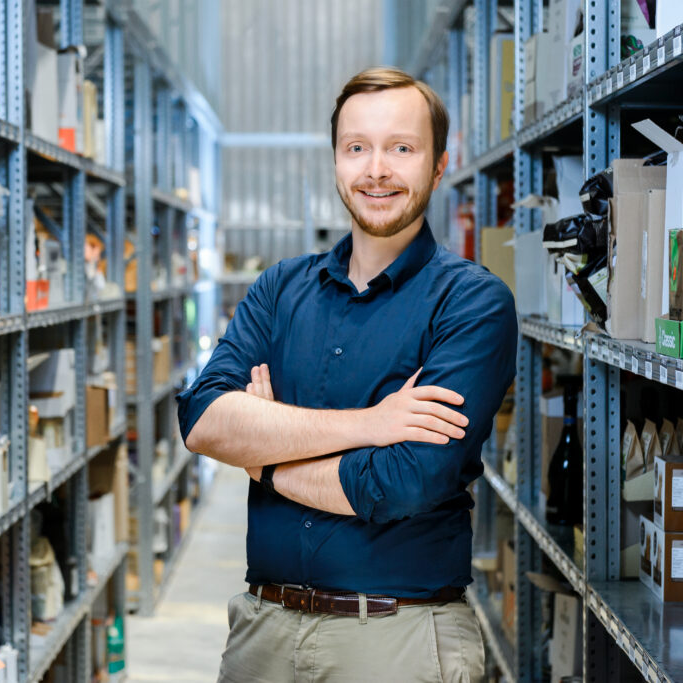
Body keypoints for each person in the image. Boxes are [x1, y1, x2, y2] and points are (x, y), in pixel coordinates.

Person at [176, 66, 517, 682]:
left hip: (398, 640)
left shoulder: (471, 302)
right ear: (336, 161)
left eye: (402, 148)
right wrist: (371, 423)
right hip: (261, 632)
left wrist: (264, 458)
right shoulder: (280, 289)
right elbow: (203, 420)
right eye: (357, 148)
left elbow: (404, 481)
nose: (377, 169)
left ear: (439, 163)